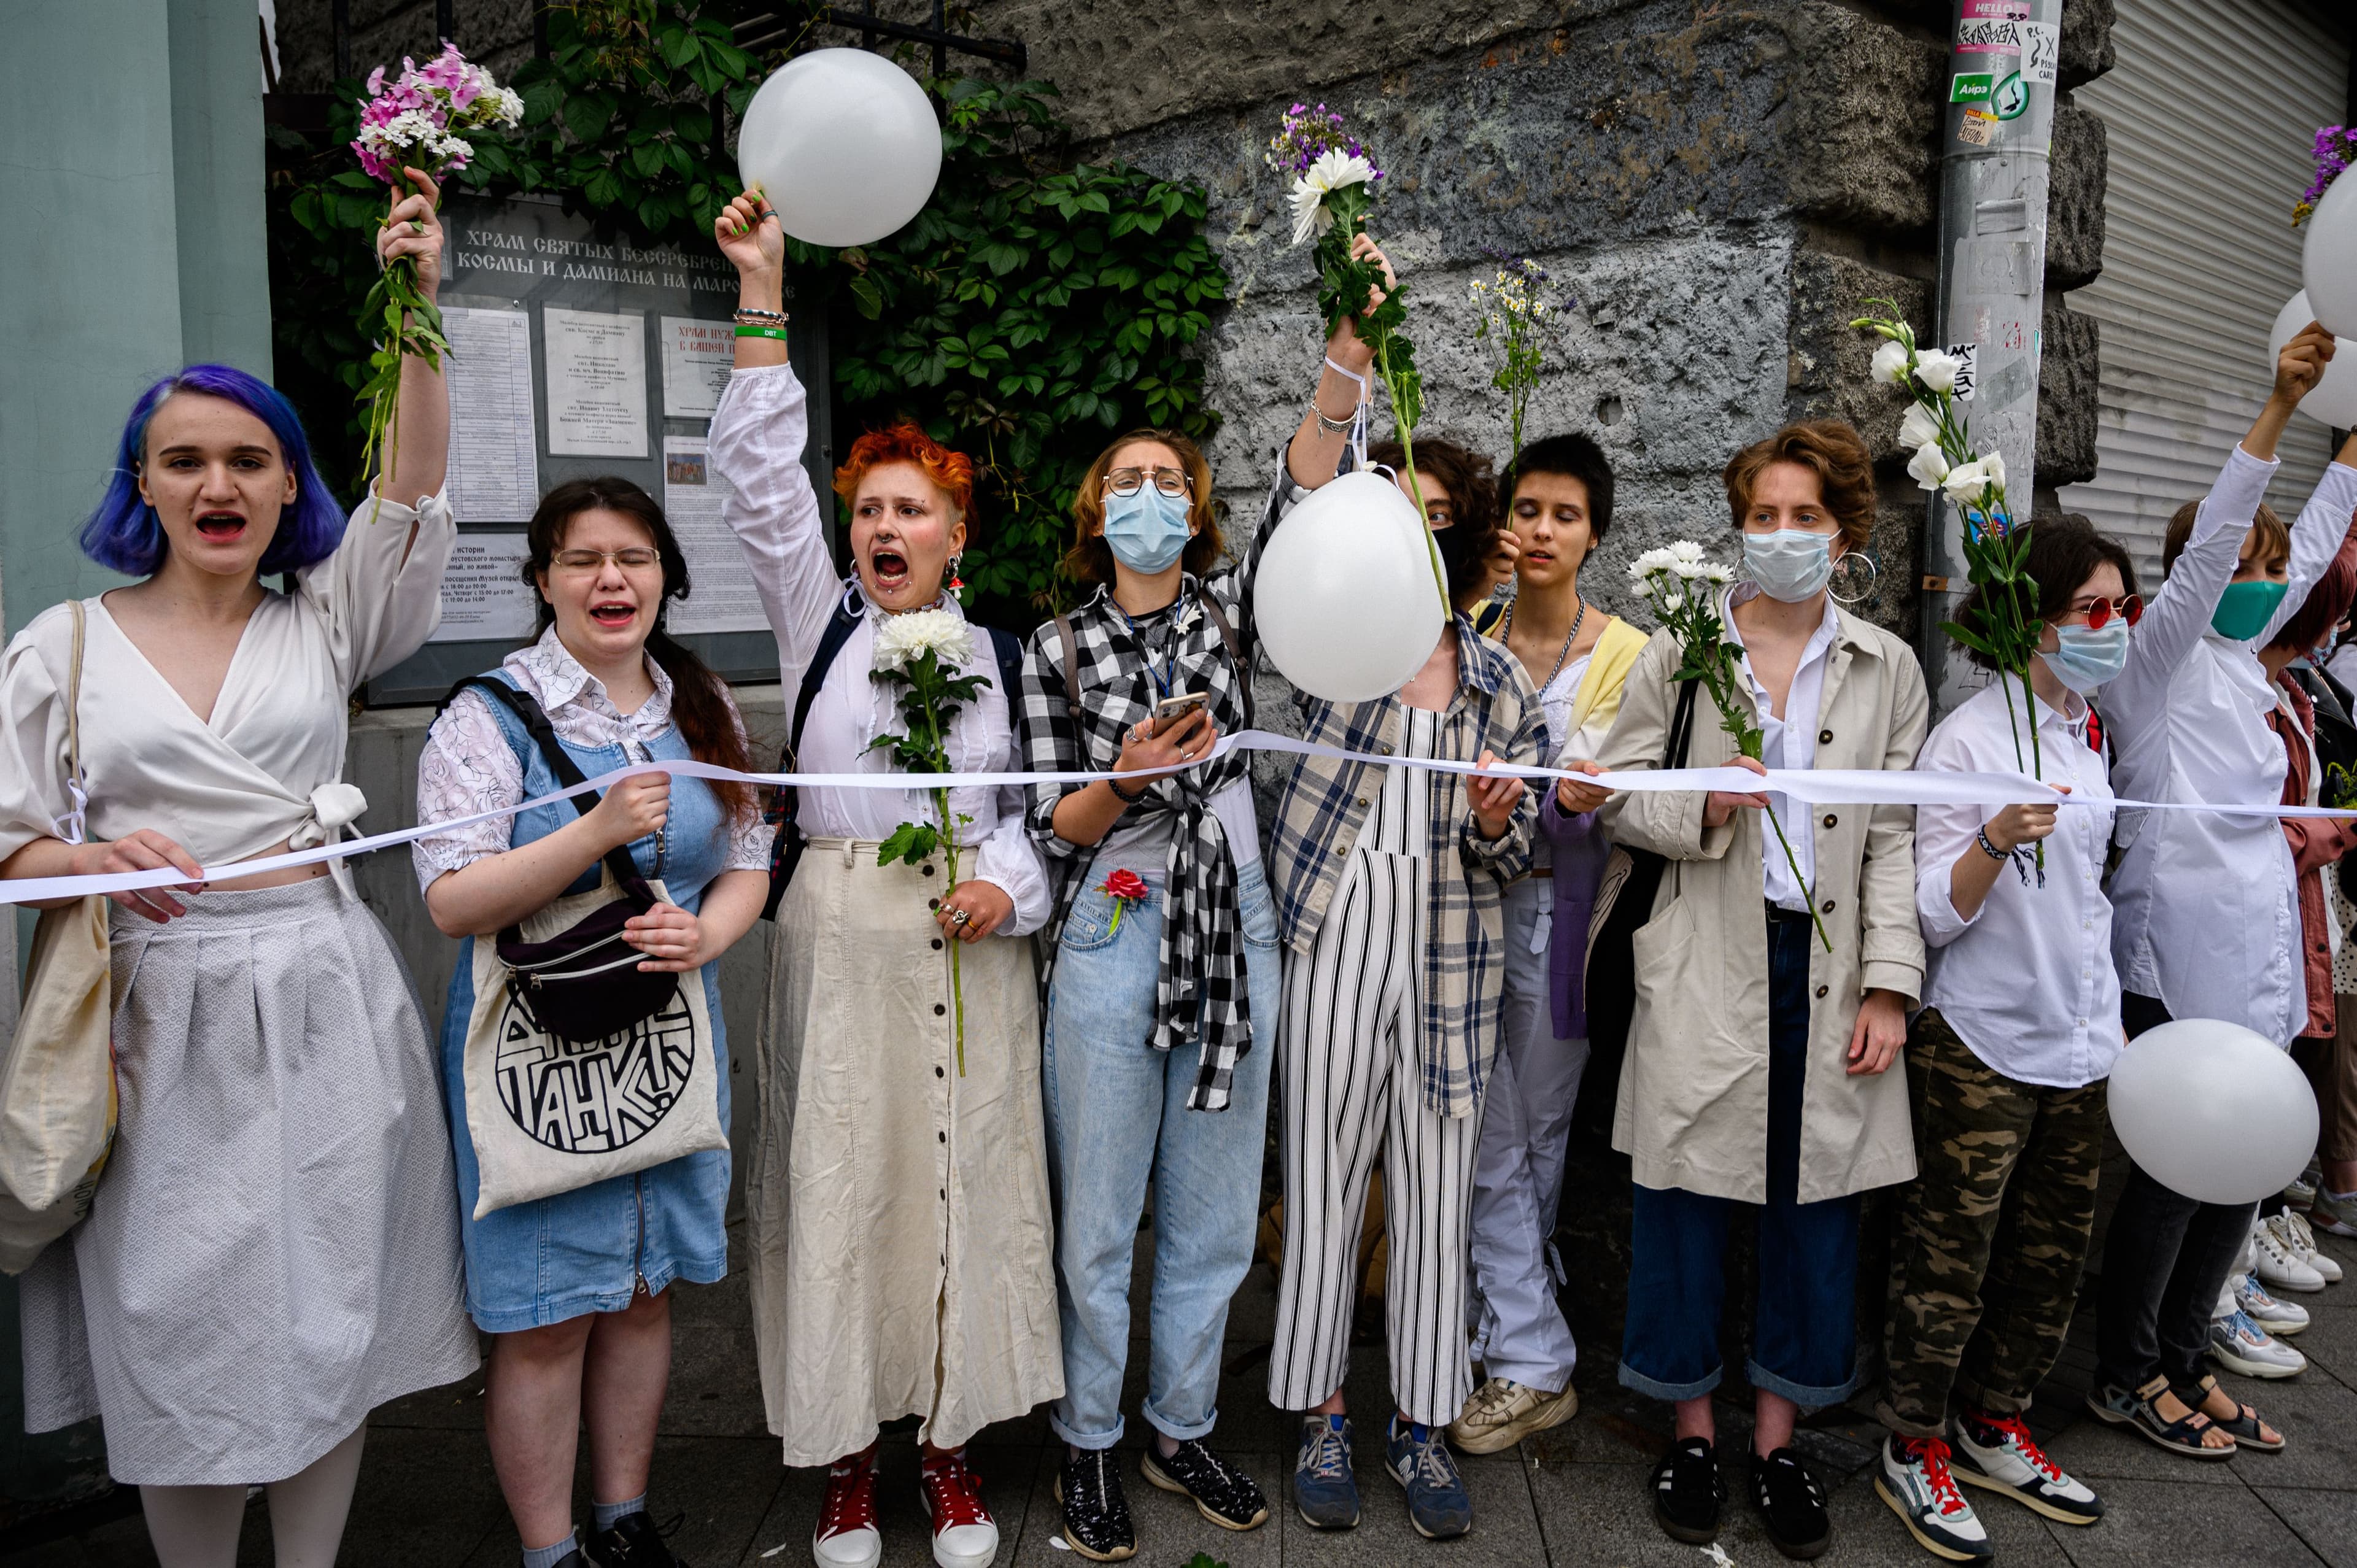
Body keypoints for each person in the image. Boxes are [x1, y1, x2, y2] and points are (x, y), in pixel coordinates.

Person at [0, 174, 473, 1566]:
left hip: (324, 993)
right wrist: (83, 854)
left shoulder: (324, 620)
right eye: (187, 459)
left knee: (328, 1308)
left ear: (287, 483)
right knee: (179, 1328)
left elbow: (417, 485)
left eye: (249, 460)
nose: (219, 484)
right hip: (155, 1017)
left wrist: (420, 309)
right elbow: (8, 837)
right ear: (142, 481)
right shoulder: (61, 644)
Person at [706, 190, 1058, 1568]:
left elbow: (1029, 820)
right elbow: (756, 480)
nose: (884, 528)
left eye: (913, 509)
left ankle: (951, 1449)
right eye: (869, 510)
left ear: (957, 533)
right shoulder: (819, 622)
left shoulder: (1005, 660)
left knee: (964, 1183)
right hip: (838, 933)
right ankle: (850, 1459)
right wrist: (759, 300)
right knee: (840, 1181)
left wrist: (1008, 891)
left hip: (971, 946)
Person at [413, 477, 772, 1568]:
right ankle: (547, 1547)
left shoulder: (699, 698)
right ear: (543, 581)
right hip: (539, 1045)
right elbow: (451, 898)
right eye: (583, 560)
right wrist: (595, 832)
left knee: (645, 1295)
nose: (611, 580)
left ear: (667, 574)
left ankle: (622, 1518)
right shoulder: (488, 714)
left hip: (664, 1036)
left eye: (635, 558)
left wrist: (708, 939)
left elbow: (749, 858)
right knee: (547, 1317)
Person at [1594, 419, 1926, 1559]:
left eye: (1806, 517)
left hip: (1830, 973)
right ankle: (1691, 1432)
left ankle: (1780, 1445)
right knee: (1682, 1197)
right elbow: (1611, 793)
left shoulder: (1889, 666)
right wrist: (1701, 806)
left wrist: (1891, 984)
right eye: (1764, 515)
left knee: (1816, 1210)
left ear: (1845, 533)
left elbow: (1894, 840)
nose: (1781, 535)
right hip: (1705, 963)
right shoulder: (1680, 649)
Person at [1263, 238, 1545, 1543]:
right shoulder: (1331, 651)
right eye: (1397, 512)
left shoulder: (1503, 690)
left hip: (1450, 952)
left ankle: (1421, 1425)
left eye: (1440, 519)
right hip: (1331, 936)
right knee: (1322, 1175)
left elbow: (1518, 840)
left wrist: (1499, 814)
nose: (1417, 531)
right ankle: (1319, 1409)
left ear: (1469, 541)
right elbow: (1300, 489)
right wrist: (1351, 356)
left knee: (1434, 1187)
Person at [2091, 323, 2357, 1462]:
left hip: (2258, 967)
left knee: (2242, 1171)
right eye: (2232, 570)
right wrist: (2283, 410)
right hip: (2180, 974)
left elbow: (2311, 551)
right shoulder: (2156, 663)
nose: (2255, 586)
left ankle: (2190, 1360)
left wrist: (2353, 449)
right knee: (2173, 1181)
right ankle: (2128, 1370)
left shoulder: (2253, 672)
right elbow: (2210, 566)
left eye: (2265, 570)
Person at [1016, 425, 1277, 1559]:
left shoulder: (1237, 615)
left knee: (1216, 1208)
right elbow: (1051, 822)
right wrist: (1126, 778)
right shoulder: (1054, 646)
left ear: (1197, 505)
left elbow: (1310, 486)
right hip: (1114, 916)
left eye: (1169, 482)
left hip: (1233, 912)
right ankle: (1087, 1434)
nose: (1150, 497)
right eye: (1128, 482)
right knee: (1101, 1206)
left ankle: (1179, 1428)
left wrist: (1349, 350)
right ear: (1097, 507)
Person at [1871, 519, 2132, 1560]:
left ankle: (1996, 1421)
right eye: (2094, 610)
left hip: (2082, 1040)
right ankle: (1912, 1442)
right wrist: (1992, 839)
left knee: (2052, 1257)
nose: (2113, 629)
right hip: (1981, 1042)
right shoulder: (1970, 738)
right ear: (2034, 617)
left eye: (2125, 608)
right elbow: (1931, 909)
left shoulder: (2088, 734)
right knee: (1950, 1257)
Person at [1450, 433, 1649, 1454]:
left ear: (1595, 536)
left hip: (1557, 915)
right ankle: (1516, 1341)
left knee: (1529, 1132)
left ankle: (1525, 1355)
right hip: (1453, 910)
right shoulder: (1462, 632)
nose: (1540, 530)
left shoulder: (1628, 655)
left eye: (1564, 515)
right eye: (1527, 509)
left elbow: (1619, 803)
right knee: (1476, 1124)